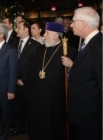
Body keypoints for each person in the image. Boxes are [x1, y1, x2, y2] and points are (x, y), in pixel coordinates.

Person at [28, 22, 77, 140]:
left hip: (56, 102)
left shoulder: (70, 52)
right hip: (38, 100)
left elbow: (77, 76)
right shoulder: (39, 50)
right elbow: (33, 74)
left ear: (56, 36)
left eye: (47, 33)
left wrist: (71, 66)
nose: (44, 35)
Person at [61, 7, 102, 140]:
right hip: (81, 116)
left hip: (91, 119)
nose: (71, 25)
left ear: (83, 24)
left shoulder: (99, 46)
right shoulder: (88, 43)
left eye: (73, 21)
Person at [9, 21, 40, 136]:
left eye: (19, 28)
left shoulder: (35, 46)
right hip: (14, 81)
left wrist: (24, 80)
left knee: (28, 110)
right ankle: (19, 127)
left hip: (27, 84)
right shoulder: (15, 43)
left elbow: (35, 67)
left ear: (26, 30)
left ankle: (33, 131)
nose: (17, 30)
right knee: (16, 108)